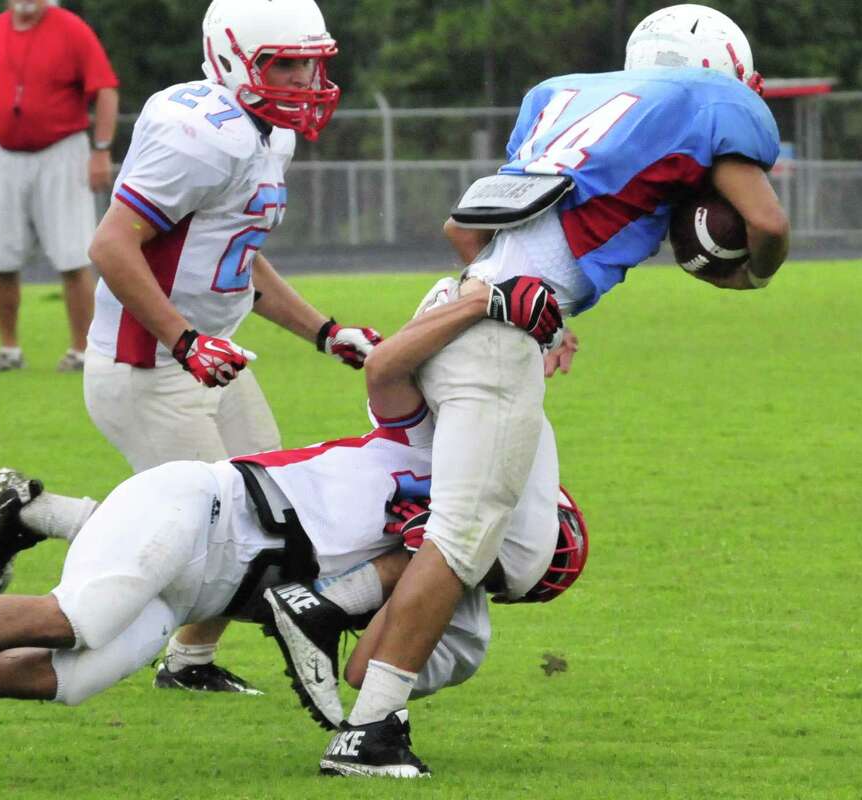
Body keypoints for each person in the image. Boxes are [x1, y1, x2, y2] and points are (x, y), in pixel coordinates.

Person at [0, 265, 577, 763]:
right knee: (76, 616)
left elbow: (362, 678)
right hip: (206, 510)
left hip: (206, 583)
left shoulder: (434, 578)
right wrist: (486, 307)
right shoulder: (431, 440)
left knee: (55, 675)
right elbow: (388, 368)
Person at [302, 4, 790, 777]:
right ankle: (370, 731)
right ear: (719, 70)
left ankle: (332, 612)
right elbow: (765, 222)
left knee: (528, 552)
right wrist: (755, 270)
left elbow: (469, 229)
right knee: (461, 535)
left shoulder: (561, 96)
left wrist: (549, 310)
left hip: (455, 306)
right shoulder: (712, 103)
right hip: (492, 338)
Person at [43, 0, 382, 692]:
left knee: (269, 515)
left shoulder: (267, 137)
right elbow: (110, 244)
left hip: (210, 357)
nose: (304, 84)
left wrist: (323, 331)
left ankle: (189, 662)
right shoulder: (202, 133)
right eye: (285, 65)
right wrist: (183, 337)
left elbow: (237, 256)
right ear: (231, 57)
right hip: (150, 364)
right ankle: (39, 515)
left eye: (309, 67)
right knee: (218, 534)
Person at [0, 0, 119, 373]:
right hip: (5, 153)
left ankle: (82, 350)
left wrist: (101, 150)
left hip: (61, 151)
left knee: (73, 256)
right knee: (0, 257)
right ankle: (9, 349)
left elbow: (105, 89)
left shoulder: (71, 28)